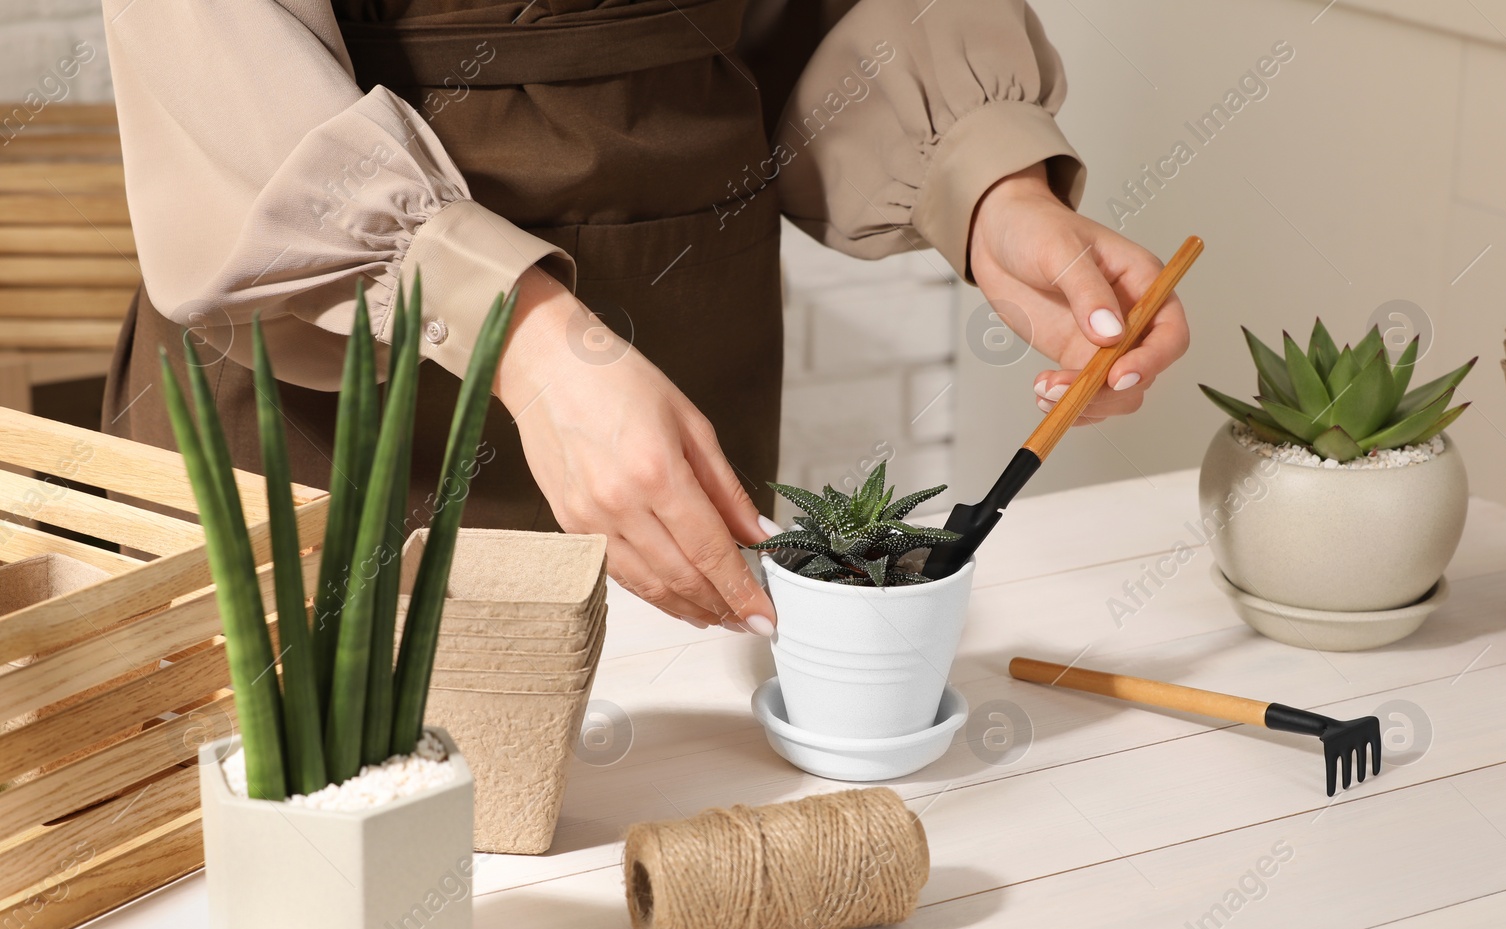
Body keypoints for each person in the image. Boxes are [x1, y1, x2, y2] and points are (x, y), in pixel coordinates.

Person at [99, 0, 1189, 636]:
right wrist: (524, 339)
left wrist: (992, 189)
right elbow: (214, 50)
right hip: (335, 372)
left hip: (677, 349)